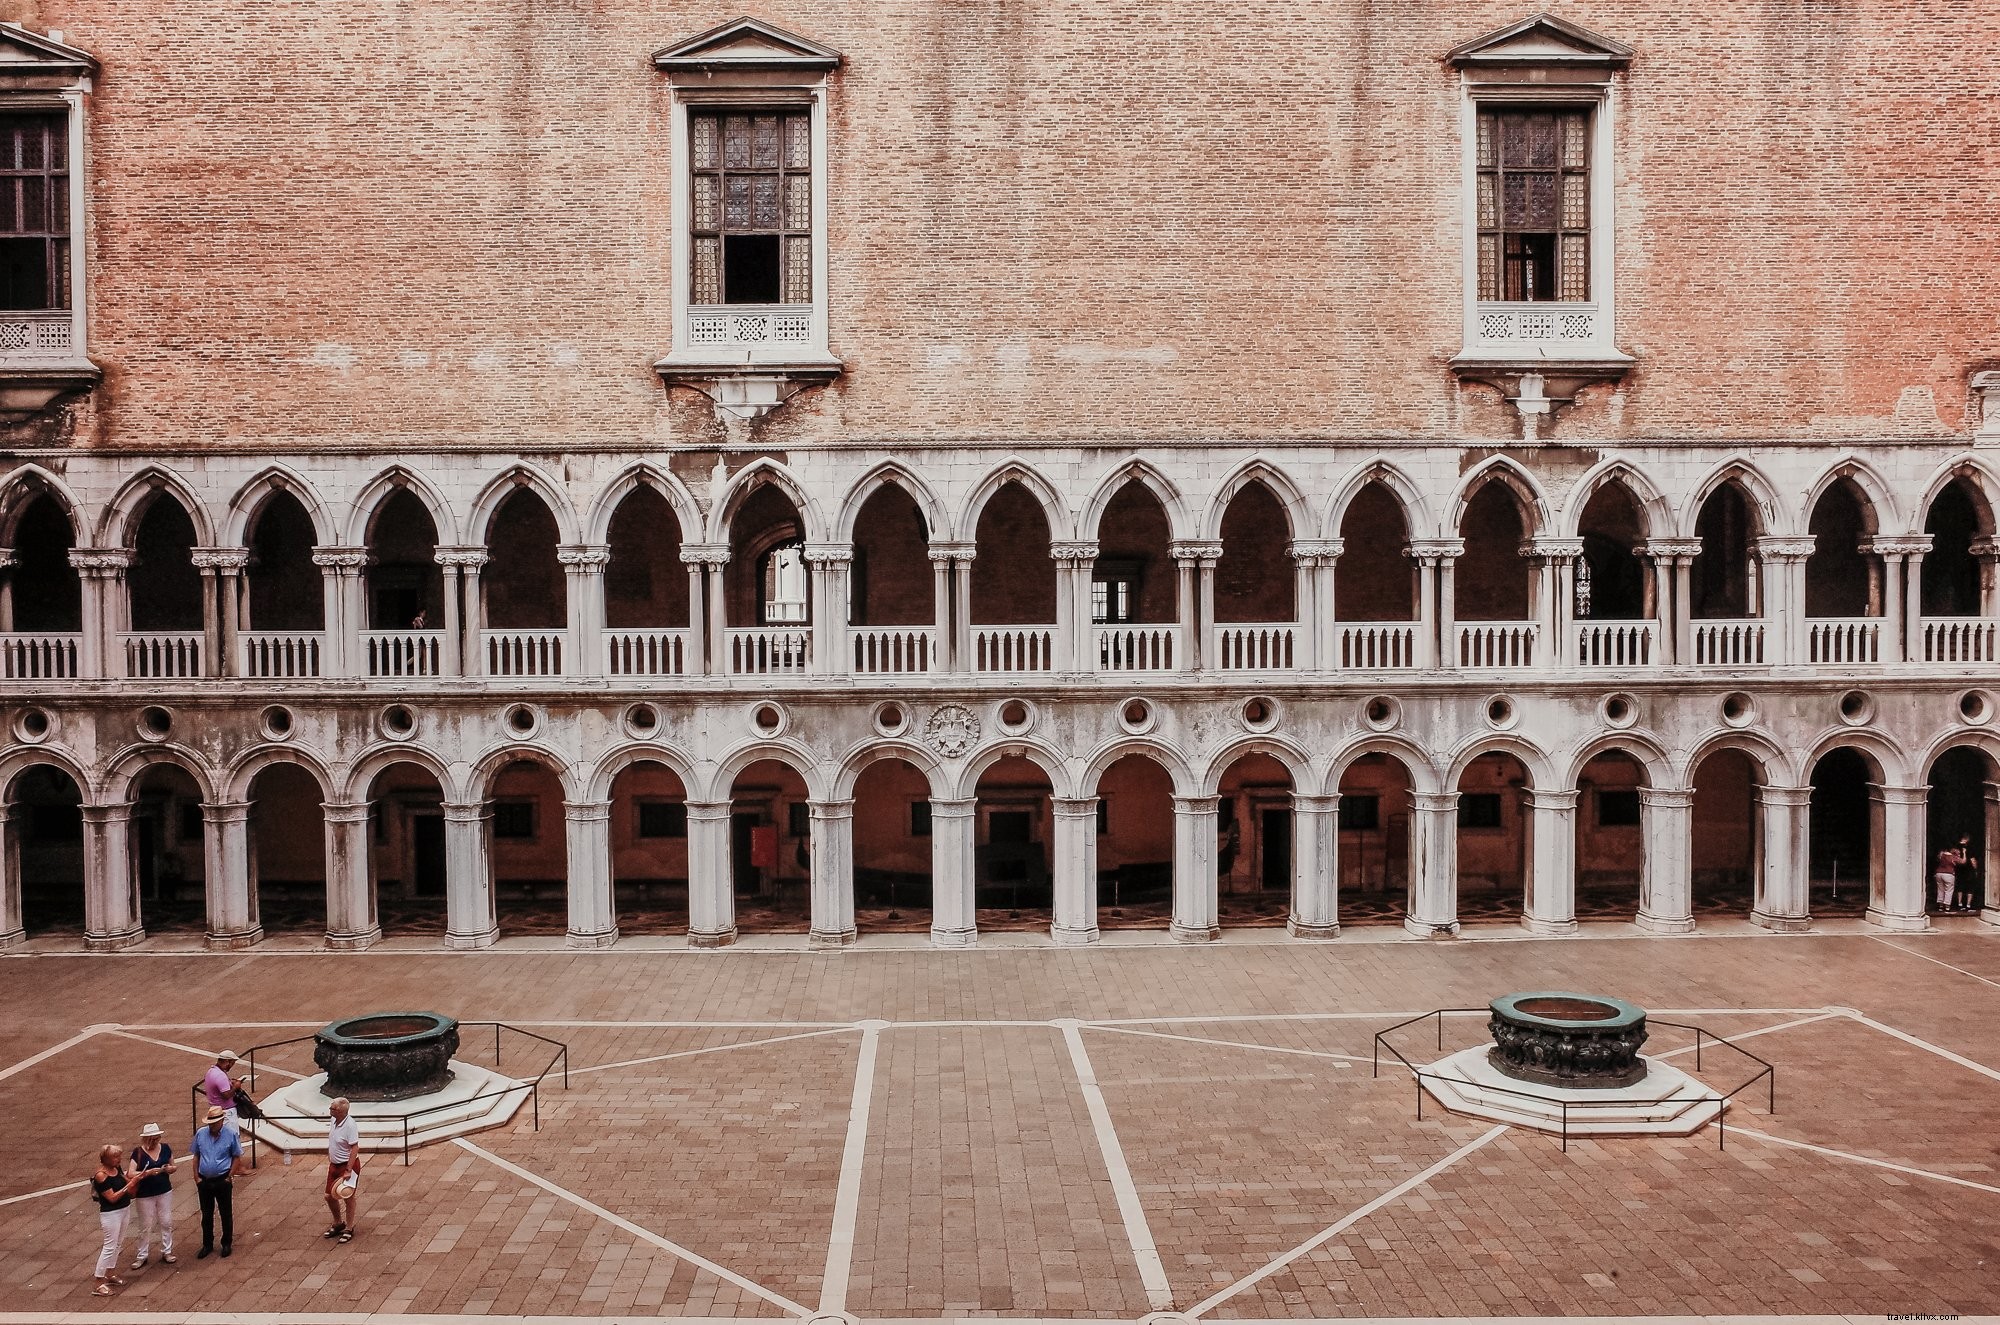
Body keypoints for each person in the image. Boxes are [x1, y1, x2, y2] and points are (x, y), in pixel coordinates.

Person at [190, 1106, 241, 1259]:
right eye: (210, 1123)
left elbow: (236, 1156)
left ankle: (226, 1243)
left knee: (225, 1213)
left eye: (214, 1123)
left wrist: (229, 1176)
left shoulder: (230, 1134)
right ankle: (207, 1244)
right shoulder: (201, 1134)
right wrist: (196, 1177)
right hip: (204, 1180)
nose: (211, 1125)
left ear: (221, 1122)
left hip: (222, 1179)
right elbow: (196, 1155)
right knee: (206, 1214)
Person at [90, 1144, 140, 1296]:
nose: (119, 1159)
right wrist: (129, 1186)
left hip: (124, 1209)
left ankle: (110, 1272)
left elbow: (125, 1180)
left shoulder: (116, 1169)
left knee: (118, 1243)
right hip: (111, 1213)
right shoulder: (101, 1175)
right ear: (106, 1159)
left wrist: (135, 1180)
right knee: (109, 1246)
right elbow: (111, 1197)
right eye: (115, 1157)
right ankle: (98, 1281)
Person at [130, 1123, 177, 1269]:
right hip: (145, 1194)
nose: (155, 1141)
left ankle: (167, 1251)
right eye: (152, 1139)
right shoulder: (138, 1152)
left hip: (164, 1190)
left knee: (166, 1221)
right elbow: (130, 1173)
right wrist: (147, 1173)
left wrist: (168, 1169)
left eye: (157, 1139)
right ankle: (142, 1254)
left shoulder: (166, 1148)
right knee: (145, 1224)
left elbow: (173, 1166)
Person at [323, 1097, 362, 1243]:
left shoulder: (350, 1126)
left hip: (346, 1166)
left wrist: (348, 1169)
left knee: (348, 1196)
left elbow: (355, 1148)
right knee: (329, 1196)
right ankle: (338, 1222)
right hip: (334, 1165)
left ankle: (349, 1227)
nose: (329, 1109)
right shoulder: (334, 1120)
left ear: (339, 1111)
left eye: (332, 1108)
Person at [201, 1051, 241, 1130]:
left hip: (216, 1110)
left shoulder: (211, 1071)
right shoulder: (220, 1075)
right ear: (227, 1061)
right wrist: (235, 1087)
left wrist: (229, 1082)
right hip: (226, 1113)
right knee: (232, 1136)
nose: (231, 1066)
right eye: (232, 1063)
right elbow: (226, 1095)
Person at [1954, 835, 1983, 913]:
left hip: (1960, 871)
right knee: (1970, 888)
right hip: (1969, 872)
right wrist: (1976, 870)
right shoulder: (1970, 849)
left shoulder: (1956, 849)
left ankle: (1959, 904)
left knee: (1960, 888)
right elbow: (1973, 861)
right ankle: (1968, 905)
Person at [1934, 841, 1964, 913]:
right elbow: (1963, 861)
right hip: (1949, 873)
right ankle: (1947, 906)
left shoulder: (1941, 855)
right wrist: (1964, 853)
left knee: (1940, 889)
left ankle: (1940, 906)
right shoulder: (1953, 857)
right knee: (1949, 890)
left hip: (1938, 873)